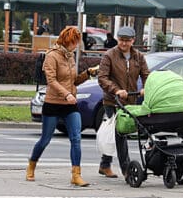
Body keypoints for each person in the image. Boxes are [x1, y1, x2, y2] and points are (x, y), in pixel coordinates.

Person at [26, 26, 93, 186]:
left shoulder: (70, 57)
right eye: (74, 42)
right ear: (67, 40)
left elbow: (73, 81)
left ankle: (76, 175)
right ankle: (32, 165)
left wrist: (88, 74)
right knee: (45, 140)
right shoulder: (52, 56)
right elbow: (52, 81)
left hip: (70, 105)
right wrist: (67, 94)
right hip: (54, 103)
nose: (76, 45)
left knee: (76, 138)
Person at [97, 26, 149, 179]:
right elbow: (102, 78)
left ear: (133, 41)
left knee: (115, 134)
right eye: (121, 40)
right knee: (120, 134)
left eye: (127, 41)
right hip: (112, 101)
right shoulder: (109, 55)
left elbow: (146, 74)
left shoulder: (138, 57)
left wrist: (146, 87)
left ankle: (105, 164)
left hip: (130, 100)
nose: (124, 44)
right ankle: (126, 169)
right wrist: (116, 90)